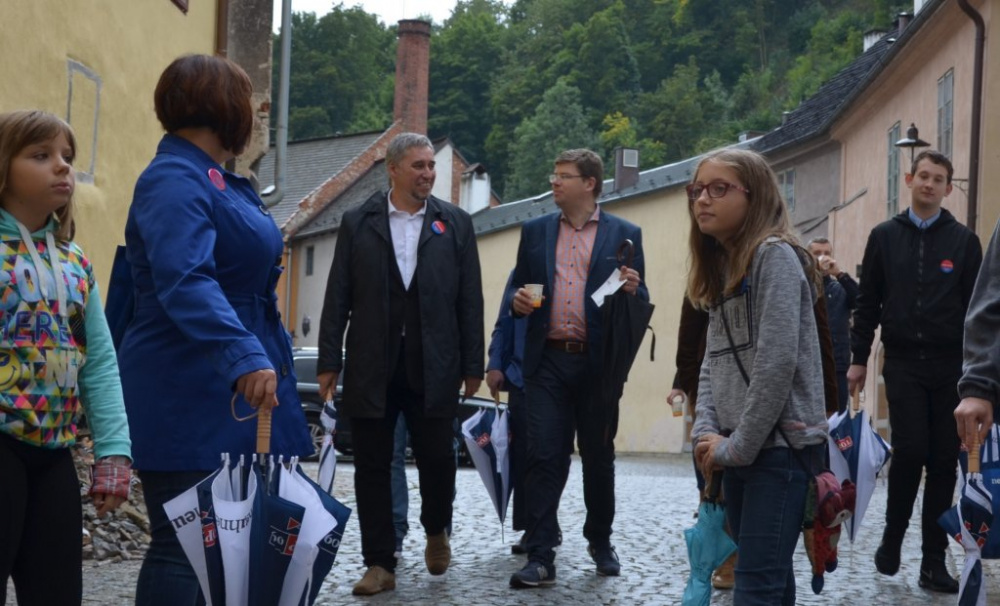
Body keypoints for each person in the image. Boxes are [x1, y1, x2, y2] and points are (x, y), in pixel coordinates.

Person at [120, 55, 314, 606]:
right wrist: (244, 356)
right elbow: (184, 279)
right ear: (226, 109)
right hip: (191, 383)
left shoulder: (216, 178)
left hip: (230, 382)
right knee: (187, 549)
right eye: (248, 104)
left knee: (232, 551)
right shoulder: (173, 178)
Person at [317, 132, 484, 596]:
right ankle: (379, 562)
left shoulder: (455, 224)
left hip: (436, 363)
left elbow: (470, 299)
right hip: (374, 363)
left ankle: (436, 528)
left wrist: (474, 363)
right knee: (371, 464)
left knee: (436, 459)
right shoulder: (359, 221)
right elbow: (338, 295)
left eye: (431, 166)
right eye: (419, 166)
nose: (429, 173)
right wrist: (329, 359)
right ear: (393, 169)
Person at [0, 110, 132, 605]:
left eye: (67, 157)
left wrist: (113, 450)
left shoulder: (75, 263)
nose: (62, 167)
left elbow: (97, 360)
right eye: (41, 155)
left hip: (54, 454)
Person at [689, 148, 828, 605]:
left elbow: (776, 365)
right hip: (739, 450)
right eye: (698, 190)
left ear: (754, 195)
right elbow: (711, 363)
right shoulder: (726, 265)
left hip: (778, 452)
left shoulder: (775, 258)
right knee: (767, 580)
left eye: (718, 188)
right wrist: (707, 432)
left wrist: (736, 446)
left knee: (757, 584)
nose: (703, 200)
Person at [508, 148, 649, 588]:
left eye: (563, 176)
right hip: (547, 360)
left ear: (589, 184)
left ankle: (600, 540)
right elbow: (520, 288)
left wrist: (634, 291)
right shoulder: (534, 232)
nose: (554, 182)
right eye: (554, 175)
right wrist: (517, 303)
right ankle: (541, 552)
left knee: (597, 457)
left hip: (597, 363)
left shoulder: (625, 235)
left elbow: (638, 304)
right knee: (544, 454)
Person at [848, 150, 981, 593]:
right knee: (910, 450)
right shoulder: (884, 236)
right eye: (922, 175)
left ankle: (932, 561)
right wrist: (858, 359)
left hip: (951, 366)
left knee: (944, 460)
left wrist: (981, 374)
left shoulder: (963, 241)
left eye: (938, 178)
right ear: (909, 179)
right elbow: (867, 304)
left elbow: (979, 313)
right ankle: (892, 535)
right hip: (902, 361)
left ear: (948, 187)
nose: (929, 184)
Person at [666, 297, 738, 590]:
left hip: (751, 374)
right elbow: (692, 336)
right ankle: (724, 558)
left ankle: (740, 554)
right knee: (713, 471)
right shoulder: (705, 271)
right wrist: (682, 381)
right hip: (708, 378)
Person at [807, 238, 858, 413]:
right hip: (809, 365)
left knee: (837, 416)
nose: (823, 257)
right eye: (817, 254)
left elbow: (860, 300)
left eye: (827, 253)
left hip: (838, 364)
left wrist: (840, 274)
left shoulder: (839, 288)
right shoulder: (803, 286)